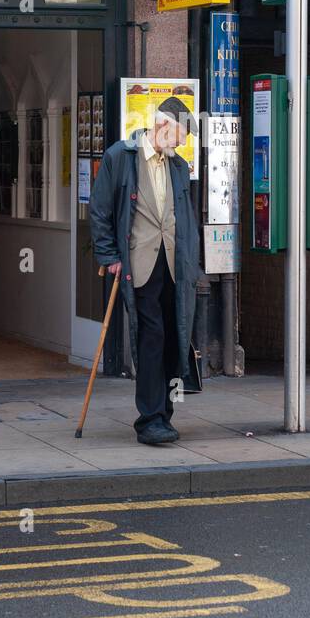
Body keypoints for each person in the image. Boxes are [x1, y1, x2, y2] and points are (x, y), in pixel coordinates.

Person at [89, 96, 200, 446]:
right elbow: (100, 210)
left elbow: (184, 216)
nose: (182, 142)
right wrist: (108, 256)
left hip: (173, 265)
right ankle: (149, 418)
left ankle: (166, 412)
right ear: (163, 125)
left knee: (174, 335)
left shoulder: (178, 167)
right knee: (152, 335)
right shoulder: (120, 157)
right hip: (139, 264)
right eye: (180, 133)